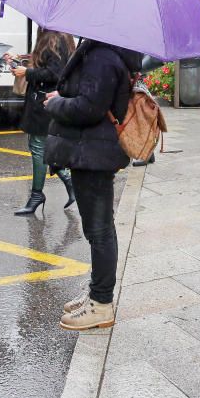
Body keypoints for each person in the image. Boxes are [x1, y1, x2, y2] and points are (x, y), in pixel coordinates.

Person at [45, 39, 142, 331]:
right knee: (97, 228)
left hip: (93, 153)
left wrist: (55, 102)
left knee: (99, 230)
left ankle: (101, 304)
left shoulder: (102, 57)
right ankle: (96, 293)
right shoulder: (106, 52)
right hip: (91, 151)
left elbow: (89, 107)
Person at [12, 29, 78, 216]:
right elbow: (49, 64)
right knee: (40, 147)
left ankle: (37, 195)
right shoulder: (61, 36)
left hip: (44, 104)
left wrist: (28, 72)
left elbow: (55, 73)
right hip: (42, 103)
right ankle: (68, 184)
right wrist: (23, 61)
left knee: (39, 147)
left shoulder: (54, 39)